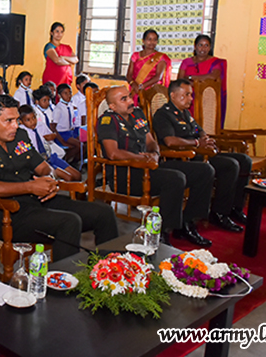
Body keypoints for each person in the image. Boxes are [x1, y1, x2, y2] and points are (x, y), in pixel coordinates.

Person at [0, 95, 118, 261]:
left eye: (17, 120)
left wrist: (49, 180)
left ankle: (109, 270)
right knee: (69, 222)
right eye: (9, 121)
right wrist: (29, 187)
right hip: (8, 214)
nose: (15, 125)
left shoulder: (19, 136)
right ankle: (63, 277)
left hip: (38, 200)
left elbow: (43, 167)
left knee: (104, 213)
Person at [97, 86, 214, 246]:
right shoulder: (107, 121)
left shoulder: (137, 114)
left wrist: (155, 153)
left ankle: (187, 223)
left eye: (129, 96)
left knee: (204, 170)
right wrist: (141, 158)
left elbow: (151, 141)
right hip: (126, 175)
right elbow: (113, 153)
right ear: (113, 106)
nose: (130, 101)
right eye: (124, 99)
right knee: (175, 179)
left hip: (149, 167)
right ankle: (162, 232)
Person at [153, 79, 249, 231]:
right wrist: (197, 143)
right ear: (173, 95)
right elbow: (170, 141)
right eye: (186, 95)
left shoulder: (186, 114)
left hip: (200, 153)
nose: (191, 98)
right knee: (230, 165)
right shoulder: (163, 115)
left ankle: (234, 208)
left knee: (244, 160)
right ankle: (214, 214)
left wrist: (205, 138)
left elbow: (198, 130)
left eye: (191, 95)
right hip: (183, 157)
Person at [18, 105, 80, 181]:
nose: (32, 121)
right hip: (39, 162)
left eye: (34, 117)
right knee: (68, 178)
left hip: (50, 157)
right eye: (28, 120)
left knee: (77, 176)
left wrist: (51, 136)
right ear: (20, 121)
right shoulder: (21, 133)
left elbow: (52, 135)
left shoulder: (40, 125)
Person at [178, 35, 228, 127]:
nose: (203, 48)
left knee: (206, 126)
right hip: (188, 100)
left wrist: (191, 77)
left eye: (206, 45)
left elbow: (213, 76)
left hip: (207, 101)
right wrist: (196, 82)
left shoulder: (215, 62)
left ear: (210, 47)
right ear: (195, 46)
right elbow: (180, 80)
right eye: (200, 45)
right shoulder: (186, 62)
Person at [126, 29, 172, 102]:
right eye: (149, 39)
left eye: (155, 40)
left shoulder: (160, 57)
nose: (152, 42)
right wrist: (133, 84)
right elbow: (129, 75)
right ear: (143, 41)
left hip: (151, 92)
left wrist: (142, 87)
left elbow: (158, 77)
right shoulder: (135, 56)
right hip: (134, 89)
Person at [52, 83, 81, 163]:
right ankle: (67, 161)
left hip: (70, 132)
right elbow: (53, 127)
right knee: (79, 145)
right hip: (62, 133)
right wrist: (62, 141)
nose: (69, 95)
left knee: (84, 143)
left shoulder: (70, 105)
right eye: (65, 93)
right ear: (59, 95)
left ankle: (74, 161)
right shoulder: (58, 108)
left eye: (70, 93)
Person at [43, 22, 78, 86]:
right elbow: (57, 60)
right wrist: (69, 62)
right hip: (51, 79)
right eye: (57, 31)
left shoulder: (67, 48)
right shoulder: (49, 47)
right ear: (51, 33)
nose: (59, 34)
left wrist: (64, 57)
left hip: (65, 80)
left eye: (61, 32)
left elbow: (75, 59)